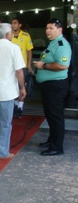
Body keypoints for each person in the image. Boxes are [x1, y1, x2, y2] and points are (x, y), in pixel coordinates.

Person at [0, 23, 26, 159]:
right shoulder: (14, 48)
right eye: (11, 32)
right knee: (5, 123)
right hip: (6, 91)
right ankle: (2, 152)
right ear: (8, 34)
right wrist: (22, 87)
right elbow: (18, 70)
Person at [33, 18, 71, 156]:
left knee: (55, 117)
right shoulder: (53, 43)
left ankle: (57, 147)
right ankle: (52, 140)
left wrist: (43, 66)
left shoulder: (61, 45)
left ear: (59, 30)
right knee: (50, 115)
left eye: (51, 28)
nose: (47, 31)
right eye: (47, 28)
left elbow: (63, 65)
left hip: (56, 86)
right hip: (49, 86)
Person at [11, 17, 34, 118]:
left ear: (20, 25)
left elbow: (29, 51)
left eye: (15, 23)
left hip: (22, 66)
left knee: (21, 87)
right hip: (10, 67)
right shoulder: (9, 35)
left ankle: (20, 107)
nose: (13, 25)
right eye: (12, 23)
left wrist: (29, 65)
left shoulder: (25, 36)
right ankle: (15, 107)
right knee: (12, 87)